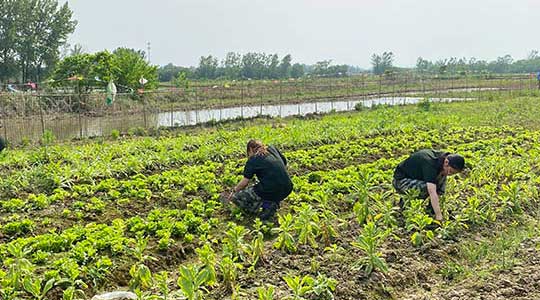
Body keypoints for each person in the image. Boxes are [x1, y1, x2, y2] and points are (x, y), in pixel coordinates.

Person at [225, 140, 293, 221]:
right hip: (288, 188)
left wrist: (234, 191)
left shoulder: (253, 159)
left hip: (271, 190)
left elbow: (245, 182)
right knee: (264, 190)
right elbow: (284, 162)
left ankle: (267, 206)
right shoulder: (272, 148)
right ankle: (271, 204)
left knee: (237, 198)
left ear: (250, 150)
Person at [393, 149, 465, 222]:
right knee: (426, 188)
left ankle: (431, 210)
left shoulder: (444, 159)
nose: (450, 174)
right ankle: (405, 204)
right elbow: (432, 191)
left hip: (418, 177)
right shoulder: (430, 163)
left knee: (442, 178)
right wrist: (439, 216)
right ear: (446, 162)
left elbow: (438, 190)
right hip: (401, 181)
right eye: (450, 172)